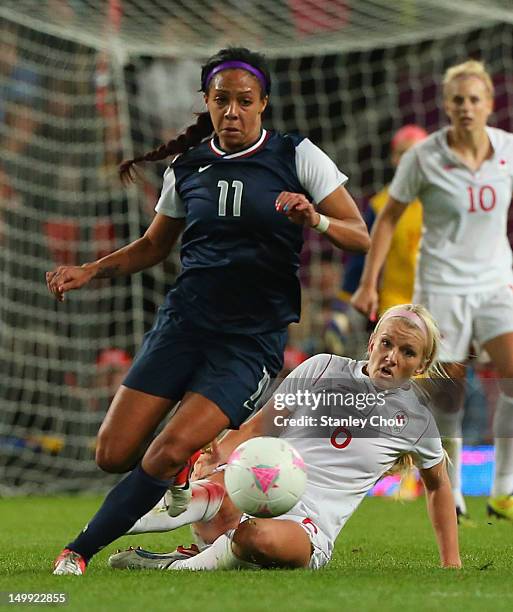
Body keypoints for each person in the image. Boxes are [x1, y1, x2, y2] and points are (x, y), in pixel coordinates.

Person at [47, 46, 370, 575]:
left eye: (245, 101)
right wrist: (91, 270)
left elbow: (359, 234)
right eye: (222, 100)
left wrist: (316, 220)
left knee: (168, 449)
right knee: (111, 453)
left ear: (263, 103)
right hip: (184, 325)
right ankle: (176, 485)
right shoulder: (189, 165)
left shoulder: (297, 156)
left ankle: (78, 550)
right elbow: (154, 247)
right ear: (207, 101)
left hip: (249, 341)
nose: (233, 112)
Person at [108, 304, 461, 571]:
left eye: (407, 352)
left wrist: (452, 562)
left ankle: (174, 567)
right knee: (214, 488)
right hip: (256, 487)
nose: (391, 357)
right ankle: (102, 530)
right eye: (386, 343)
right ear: (371, 343)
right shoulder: (323, 369)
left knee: (254, 539)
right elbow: (261, 426)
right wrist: (216, 457)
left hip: (307, 528)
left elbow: (438, 485)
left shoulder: (415, 422)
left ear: (422, 365)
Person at [351, 60, 513, 522]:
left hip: (496, 280)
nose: (466, 107)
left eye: (474, 99)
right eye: (458, 100)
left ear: (489, 104)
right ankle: (454, 488)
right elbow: (387, 218)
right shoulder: (424, 157)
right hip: (441, 286)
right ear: (446, 105)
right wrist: (368, 282)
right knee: (450, 397)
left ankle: (504, 490)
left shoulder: (508, 150)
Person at [325, 124, 428, 359]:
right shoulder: (380, 206)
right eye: (404, 153)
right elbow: (361, 258)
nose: (410, 159)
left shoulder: (445, 199)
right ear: (393, 158)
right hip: (396, 306)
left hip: (440, 303)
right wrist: (342, 309)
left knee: (450, 384)